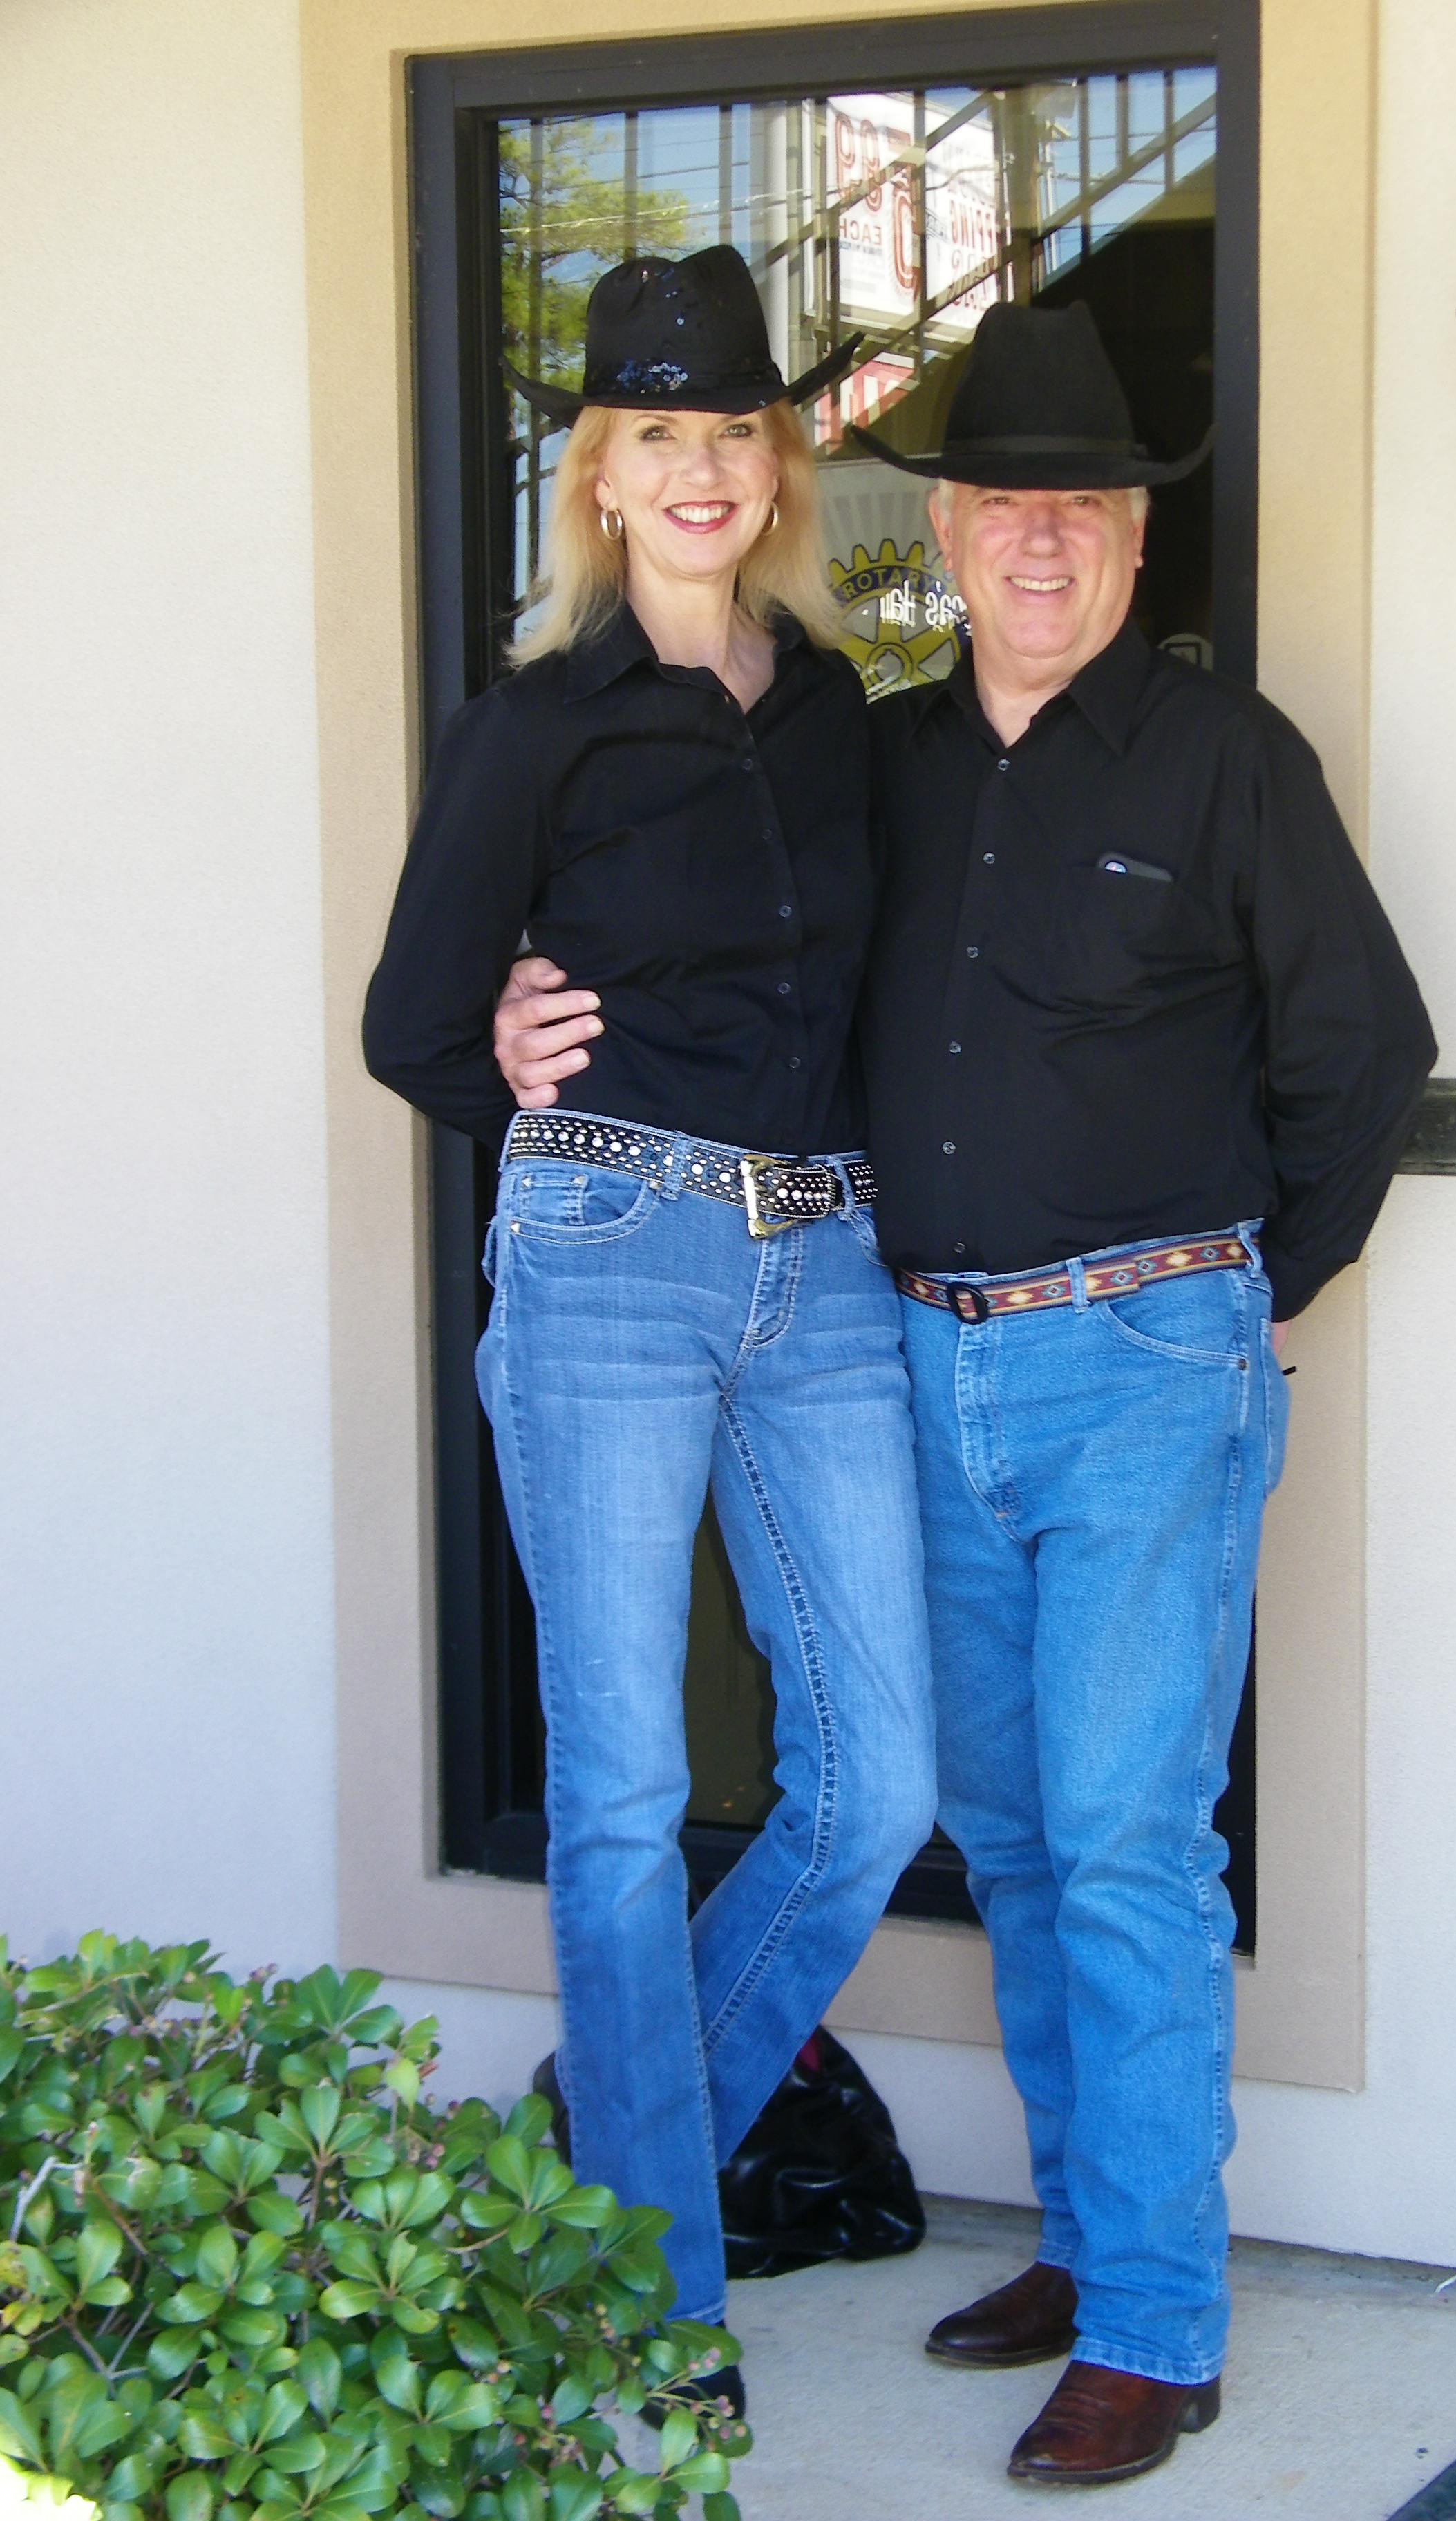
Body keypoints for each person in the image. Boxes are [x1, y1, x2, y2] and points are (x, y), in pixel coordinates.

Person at [496, 299, 1435, 2487]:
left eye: (1082, 505)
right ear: (943, 526)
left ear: (1136, 536)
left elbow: (1366, 1060)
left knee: (1123, 1845)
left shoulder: (1229, 762)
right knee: (1007, 1834)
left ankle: (1156, 2322)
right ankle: (1091, 2244)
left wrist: (1230, 1296)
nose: (1039, 536)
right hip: (912, 1357)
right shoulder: (883, 759)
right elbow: (724, 946)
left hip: (1144, 1366)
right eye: (1002, 499)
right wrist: (529, 1015)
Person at [361, 247, 936, 2421]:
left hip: (829, 1262)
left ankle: (608, 2162)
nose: (701, 471)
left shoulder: (839, 714)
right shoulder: (535, 726)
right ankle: (657, 2308)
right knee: (617, 1797)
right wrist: (515, 1057)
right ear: (600, 476)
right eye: (657, 435)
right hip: (613, 1246)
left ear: (778, 465)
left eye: (734, 432)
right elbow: (415, 1024)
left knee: (876, 1785)